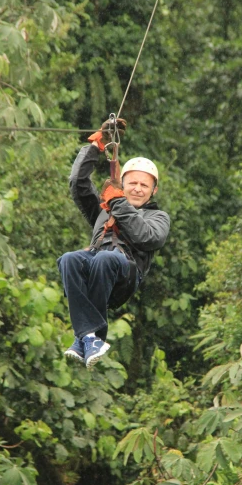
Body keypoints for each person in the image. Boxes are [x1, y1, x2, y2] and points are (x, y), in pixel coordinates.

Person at [57, 118, 170, 368]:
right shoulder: (103, 209)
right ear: (123, 184)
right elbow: (78, 184)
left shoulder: (157, 217)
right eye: (132, 183)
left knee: (105, 258)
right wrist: (97, 146)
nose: (138, 189)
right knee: (70, 259)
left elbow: (147, 237)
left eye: (144, 185)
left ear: (154, 191)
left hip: (124, 274)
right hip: (97, 263)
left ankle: (96, 334)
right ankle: (86, 337)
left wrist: (118, 203)